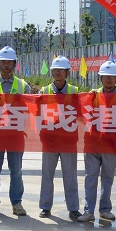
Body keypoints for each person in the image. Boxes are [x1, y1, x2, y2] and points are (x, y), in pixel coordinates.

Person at [0, 46, 32, 216]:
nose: (6, 65)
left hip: (15, 135)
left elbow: (30, 111)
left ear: (14, 63)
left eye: (9, 62)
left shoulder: (23, 86)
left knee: (16, 171)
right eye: (3, 62)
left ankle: (17, 203)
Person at [37, 56, 81, 221]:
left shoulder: (75, 92)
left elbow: (81, 114)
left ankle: (73, 208)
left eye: (61, 70)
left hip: (68, 140)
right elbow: (37, 114)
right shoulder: (44, 92)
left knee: (70, 175)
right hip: (49, 139)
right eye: (55, 70)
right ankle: (45, 207)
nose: (57, 73)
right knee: (47, 175)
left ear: (67, 72)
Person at [80, 59, 116, 223]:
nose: (109, 79)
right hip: (92, 145)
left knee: (107, 179)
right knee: (90, 178)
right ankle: (88, 211)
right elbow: (83, 114)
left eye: (111, 76)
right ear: (101, 78)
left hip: (111, 146)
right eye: (105, 76)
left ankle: (105, 210)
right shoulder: (92, 96)